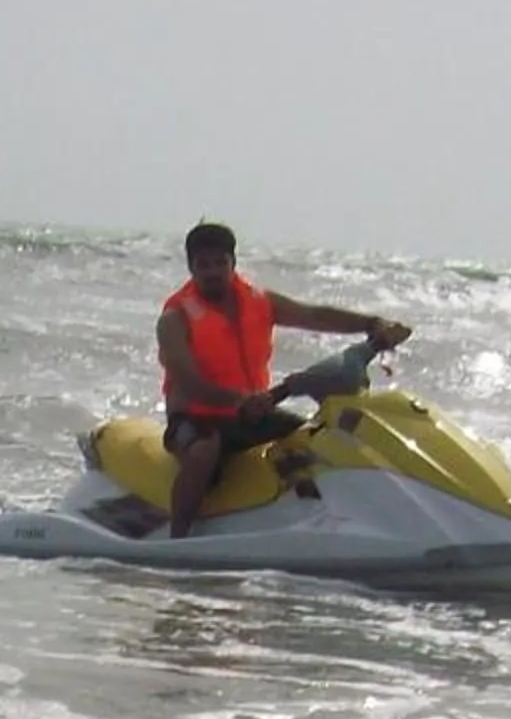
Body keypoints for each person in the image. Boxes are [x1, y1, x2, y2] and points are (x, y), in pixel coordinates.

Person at [158, 221, 411, 537]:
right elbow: (189, 383)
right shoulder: (175, 318)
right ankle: (178, 535)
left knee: (319, 437)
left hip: (253, 412)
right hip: (195, 417)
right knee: (203, 452)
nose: (212, 272)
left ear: (233, 262)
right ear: (191, 267)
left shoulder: (261, 302)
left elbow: (314, 315)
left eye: (220, 263)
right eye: (203, 265)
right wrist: (238, 400)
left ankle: (357, 521)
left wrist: (372, 323)